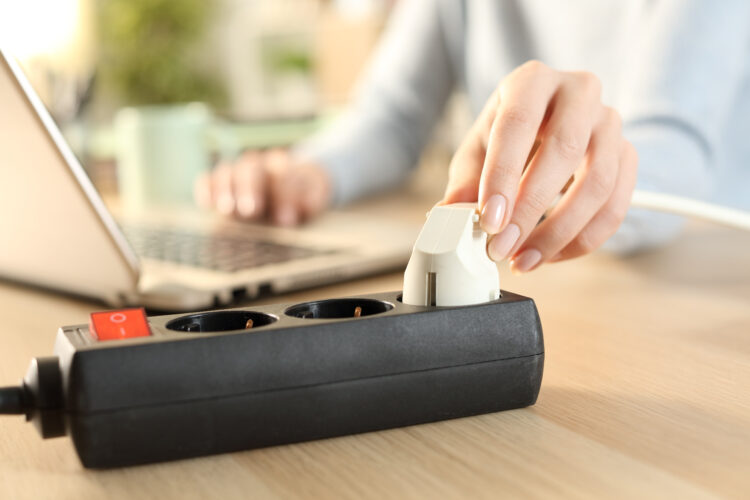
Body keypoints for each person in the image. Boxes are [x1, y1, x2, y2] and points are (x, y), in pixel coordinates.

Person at [195, 0, 750, 273]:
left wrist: (594, 171)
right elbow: (391, 115)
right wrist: (312, 172)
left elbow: (675, 147)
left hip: (700, 279)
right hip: (538, 283)